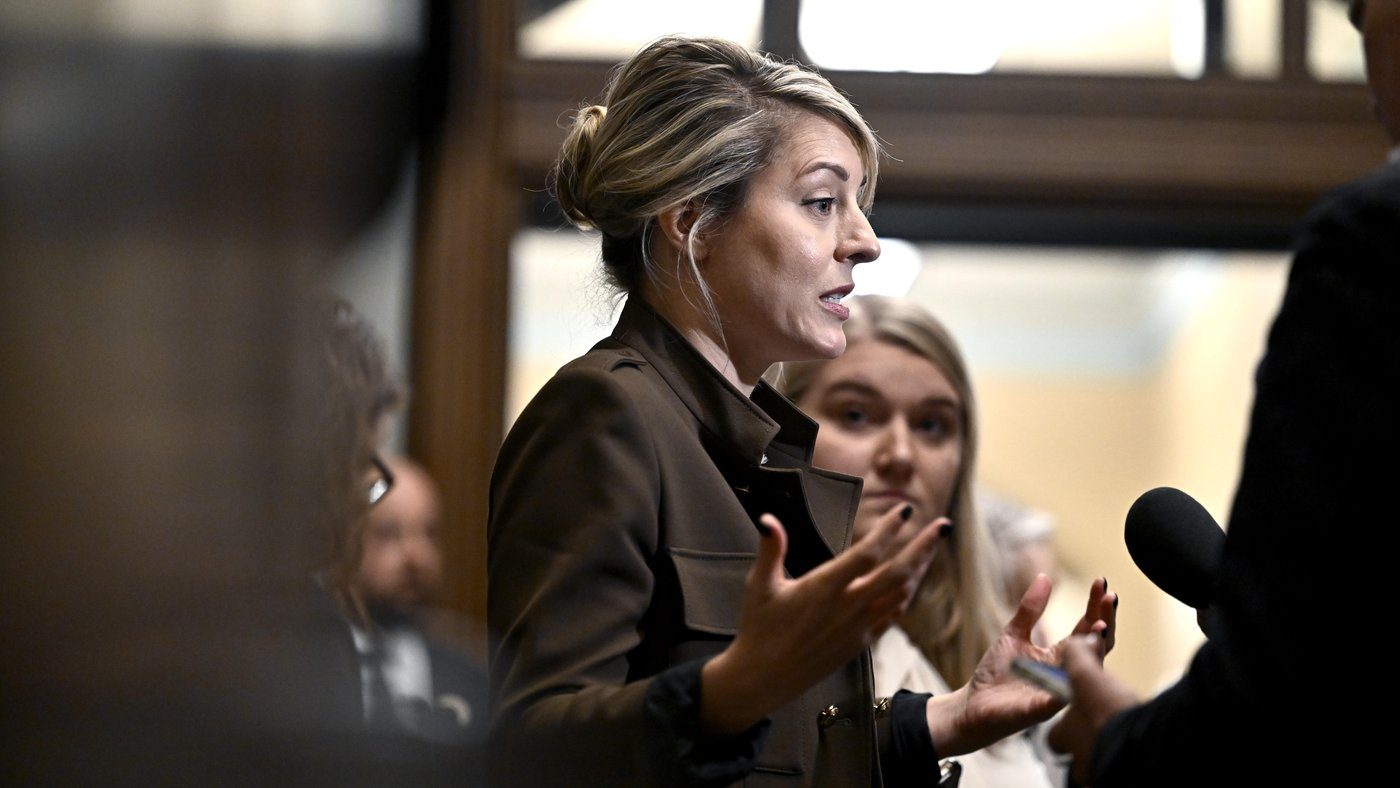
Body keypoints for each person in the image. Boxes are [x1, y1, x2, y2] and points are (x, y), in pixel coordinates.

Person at [488, 36, 1114, 786]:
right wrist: (732, 688)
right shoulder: (608, 410)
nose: (865, 242)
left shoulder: (747, 446)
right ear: (692, 221)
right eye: (822, 203)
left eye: (857, 208)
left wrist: (947, 719)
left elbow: (787, 755)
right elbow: (528, 746)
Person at [1047, 1, 1400, 783]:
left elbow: (1282, 688)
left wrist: (1112, 738)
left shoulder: (1377, 243)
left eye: (1360, 4)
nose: (1352, 27)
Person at [777, 295, 1115, 788]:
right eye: (855, 415)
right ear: (781, 432)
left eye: (932, 425)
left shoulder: (1005, 652)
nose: (900, 454)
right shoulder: (736, 645)